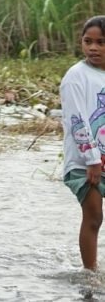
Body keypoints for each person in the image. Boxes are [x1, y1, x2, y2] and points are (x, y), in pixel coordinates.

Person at [61, 15, 105, 270]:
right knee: (94, 216)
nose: (93, 48)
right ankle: (90, 273)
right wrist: (92, 160)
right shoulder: (76, 77)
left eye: (100, 43)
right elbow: (77, 120)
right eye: (88, 41)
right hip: (83, 161)